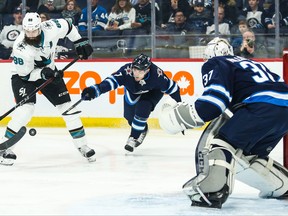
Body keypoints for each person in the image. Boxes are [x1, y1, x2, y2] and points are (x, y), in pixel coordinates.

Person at [159, 37, 288, 208]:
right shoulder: (251, 63)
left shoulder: (217, 62)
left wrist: (176, 118)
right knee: (247, 156)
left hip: (261, 106)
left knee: (221, 143)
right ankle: (282, 186)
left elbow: (213, 104)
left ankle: (212, 191)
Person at [0, 12, 95, 165]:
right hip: (24, 76)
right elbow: (25, 76)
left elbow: (69, 25)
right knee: (26, 110)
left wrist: (79, 42)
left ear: (40, 27)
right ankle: (3, 148)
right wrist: (43, 73)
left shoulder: (51, 27)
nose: (31, 34)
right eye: (28, 31)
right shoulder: (20, 47)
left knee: (68, 108)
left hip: (50, 72)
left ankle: (82, 145)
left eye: (34, 31)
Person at [81, 53, 182, 153]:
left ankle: (133, 138)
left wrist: (180, 108)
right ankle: (143, 129)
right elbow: (110, 82)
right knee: (129, 117)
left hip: (153, 92)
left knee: (143, 108)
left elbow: (174, 89)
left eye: (140, 71)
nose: (136, 73)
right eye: (135, 69)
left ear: (147, 70)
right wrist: (94, 91)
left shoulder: (157, 76)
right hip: (133, 91)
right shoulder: (126, 71)